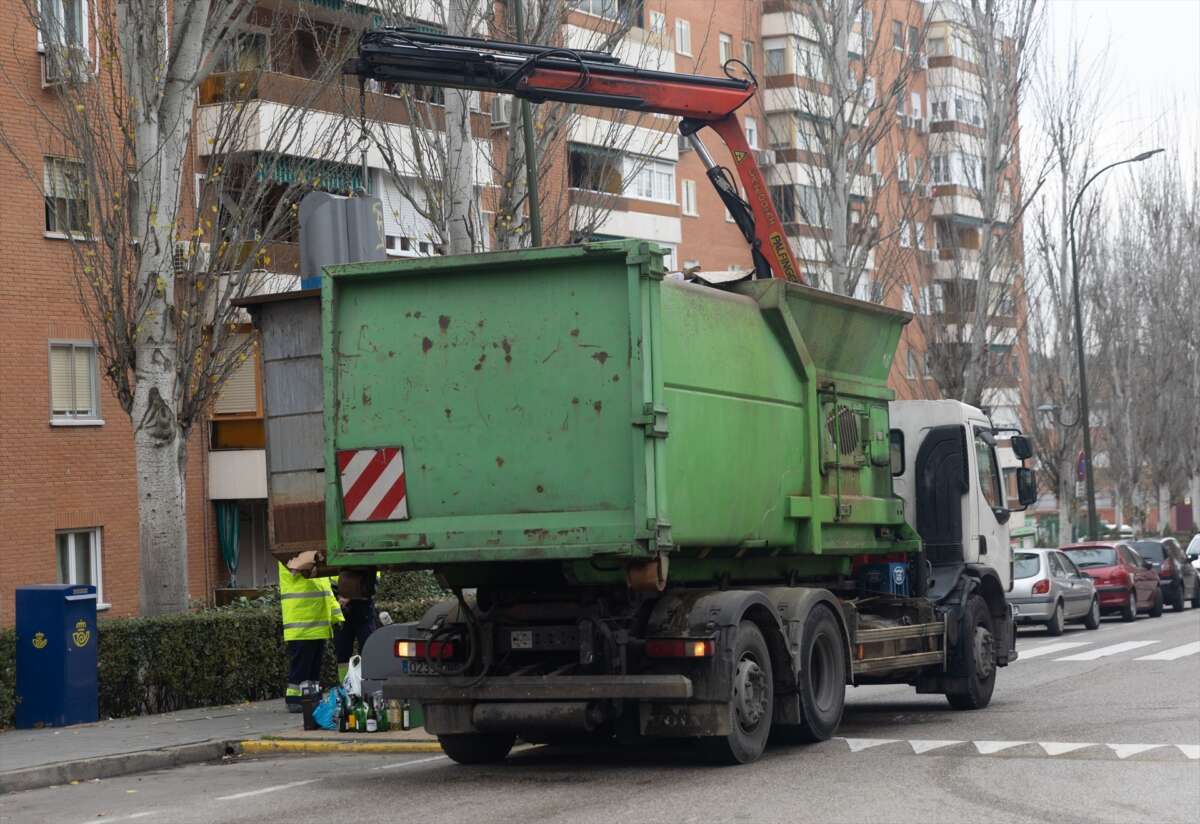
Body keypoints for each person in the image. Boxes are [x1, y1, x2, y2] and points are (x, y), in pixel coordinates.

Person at [279, 562, 343, 712]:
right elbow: (300, 569)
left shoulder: (314, 562)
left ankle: (311, 698)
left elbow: (326, 591)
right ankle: (295, 699)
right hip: (302, 622)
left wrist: (336, 614)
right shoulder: (293, 556)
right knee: (302, 665)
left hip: (316, 622)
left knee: (313, 666)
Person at [334, 569, 379, 682]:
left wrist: (348, 595)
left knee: (367, 650)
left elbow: (373, 585)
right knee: (342, 654)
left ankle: (367, 684)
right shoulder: (337, 560)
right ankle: (345, 686)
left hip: (363, 611)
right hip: (344, 610)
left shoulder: (366, 557)